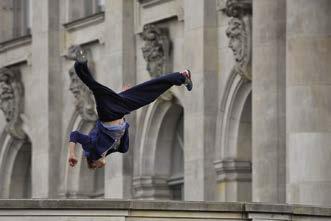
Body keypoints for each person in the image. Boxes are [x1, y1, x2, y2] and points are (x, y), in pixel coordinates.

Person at [67, 46, 193, 169]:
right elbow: (123, 146)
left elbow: (75, 135)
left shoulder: (92, 148)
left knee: (95, 88)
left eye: (97, 167)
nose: (100, 167)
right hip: (120, 110)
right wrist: (123, 100)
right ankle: (182, 77)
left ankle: (80, 63)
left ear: (93, 162)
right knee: (148, 94)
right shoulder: (111, 149)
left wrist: (71, 153)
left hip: (108, 114)